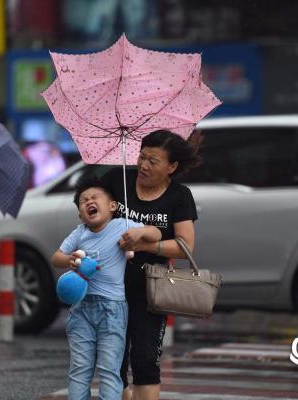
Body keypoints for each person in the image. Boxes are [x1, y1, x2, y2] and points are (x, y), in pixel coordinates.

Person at [101, 130, 200, 400]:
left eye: (153, 161)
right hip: (108, 288)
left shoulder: (179, 196)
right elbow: (90, 213)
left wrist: (145, 244)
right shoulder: (116, 180)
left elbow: (184, 246)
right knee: (112, 363)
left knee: (145, 362)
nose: (143, 165)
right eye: (142, 157)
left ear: (172, 167)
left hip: (150, 292)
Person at [52, 178, 161, 400]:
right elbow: (56, 257)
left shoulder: (123, 226)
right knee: (80, 369)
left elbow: (156, 233)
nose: (89, 202)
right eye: (83, 201)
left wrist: (139, 234)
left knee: (109, 370)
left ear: (112, 206)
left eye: (94, 198)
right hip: (81, 308)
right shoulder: (79, 233)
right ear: (80, 214)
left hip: (113, 309)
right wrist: (69, 260)